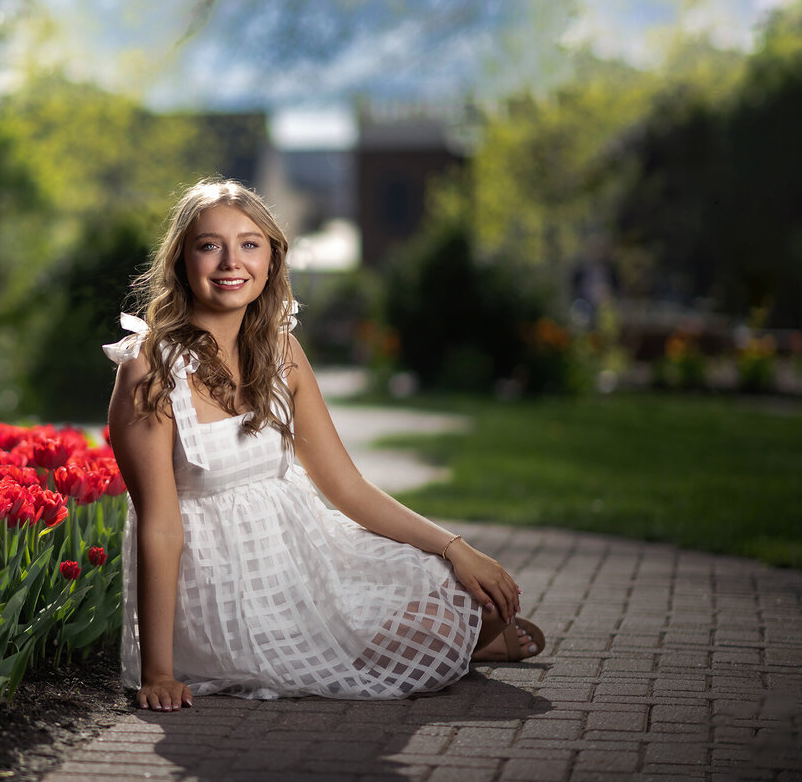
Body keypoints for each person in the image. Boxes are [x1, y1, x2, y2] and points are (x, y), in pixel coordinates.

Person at [104, 178, 544, 713]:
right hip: (223, 597)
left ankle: (461, 640)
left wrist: (456, 547)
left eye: (249, 244)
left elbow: (346, 486)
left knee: (476, 595)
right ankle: (455, 648)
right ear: (182, 261)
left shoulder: (281, 351)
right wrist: (159, 672)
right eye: (209, 245)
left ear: (271, 260)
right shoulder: (149, 369)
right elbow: (160, 524)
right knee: (445, 625)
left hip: (305, 561)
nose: (229, 262)